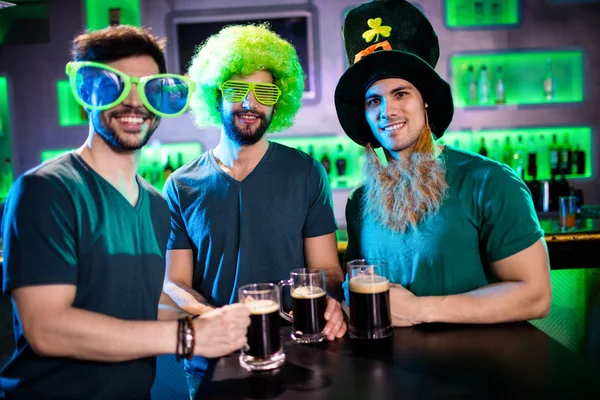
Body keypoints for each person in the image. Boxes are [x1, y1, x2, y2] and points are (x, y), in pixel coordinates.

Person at [0, 25, 250, 400]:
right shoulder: (45, 190)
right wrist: (189, 337)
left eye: (148, 89)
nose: (134, 104)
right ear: (87, 93)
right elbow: (47, 329)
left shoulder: (155, 205)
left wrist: (210, 320)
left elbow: (136, 308)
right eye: (115, 85)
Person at [335, 0, 551, 326]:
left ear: (425, 101)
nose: (387, 111)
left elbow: (535, 296)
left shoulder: (489, 181)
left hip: (475, 370)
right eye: (374, 100)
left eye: (401, 93)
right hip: (383, 370)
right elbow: (359, 290)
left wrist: (420, 310)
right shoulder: (360, 200)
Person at [162, 24, 346, 396]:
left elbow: (326, 270)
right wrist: (211, 316)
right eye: (236, 90)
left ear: (278, 102)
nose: (250, 103)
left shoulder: (306, 172)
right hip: (212, 357)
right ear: (215, 96)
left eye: (264, 92)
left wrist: (325, 300)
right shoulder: (181, 184)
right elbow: (174, 283)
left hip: (298, 351)